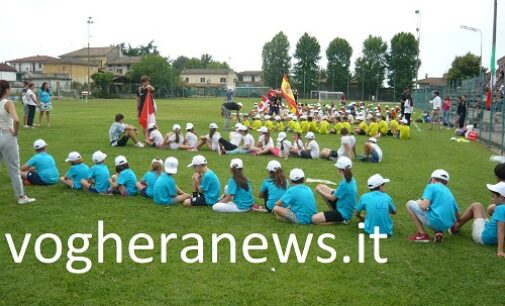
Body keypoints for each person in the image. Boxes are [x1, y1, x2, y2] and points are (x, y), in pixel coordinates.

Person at [0, 80, 35, 204]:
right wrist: (15, 132)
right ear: (6, 89)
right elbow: (17, 120)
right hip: (7, 136)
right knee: (14, 169)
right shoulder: (8, 102)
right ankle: (21, 197)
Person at [448, 182, 505, 258]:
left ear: (501, 197)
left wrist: (500, 251)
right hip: (491, 234)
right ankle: (456, 226)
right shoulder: (501, 208)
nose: (492, 199)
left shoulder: (500, 209)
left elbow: (501, 230)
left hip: (483, 237)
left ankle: (455, 227)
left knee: (476, 205)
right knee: (480, 207)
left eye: (493, 196)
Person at [406, 169, 460, 243]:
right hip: (448, 224)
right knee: (437, 211)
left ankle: (422, 235)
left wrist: (418, 202)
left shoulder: (431, 186)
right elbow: (457, 214)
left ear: (433, 179)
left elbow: (424, 206)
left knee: (409, 204)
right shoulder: (448, 191)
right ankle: (439, 232)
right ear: (446, 183)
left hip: (435, 221)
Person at [312, 156, 357, 225]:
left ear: (340, 169)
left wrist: (319, 191)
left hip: (343, 214)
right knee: (323, 187)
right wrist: (324, 188)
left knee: (314, 219)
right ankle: (333, 212)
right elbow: (341, 192)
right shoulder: (351, 179)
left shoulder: (344, 183)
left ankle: (340, 220)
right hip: (344, 208)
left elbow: (332, 198)